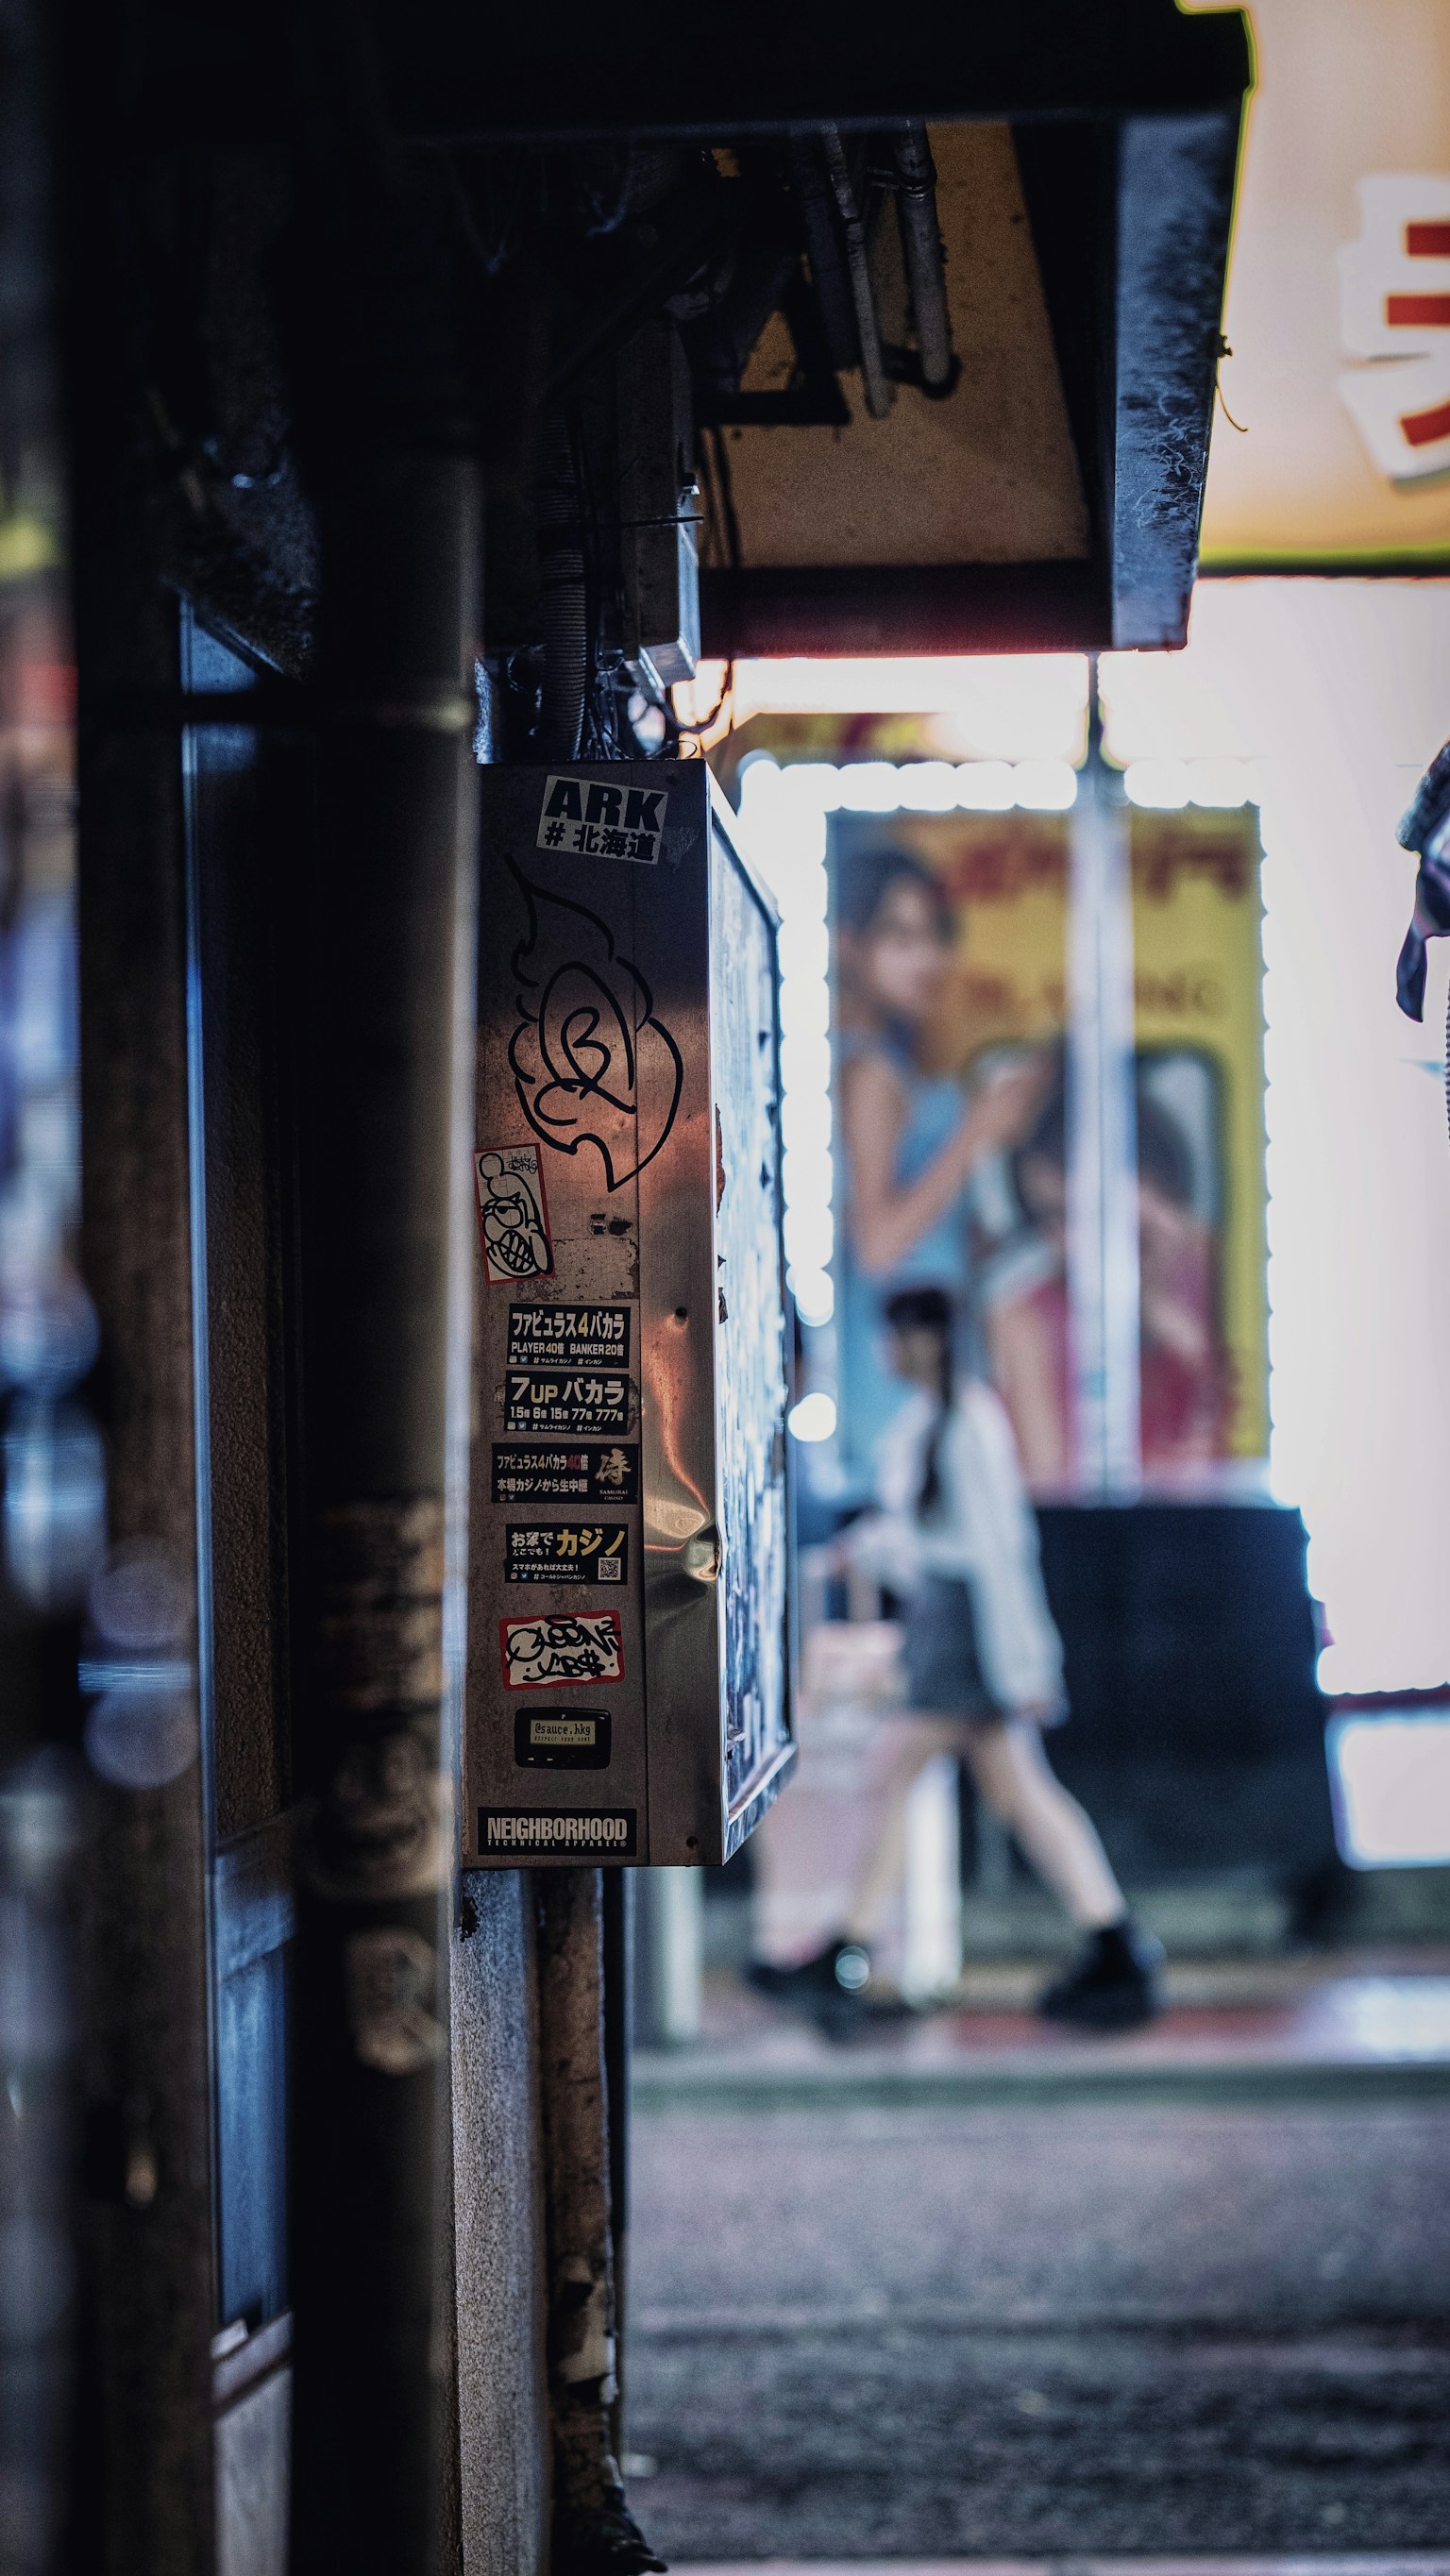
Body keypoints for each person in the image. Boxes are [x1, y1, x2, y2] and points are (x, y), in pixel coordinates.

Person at [751, 1286, 1163, 2034]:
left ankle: (847, 1949)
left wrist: (1029, 1664)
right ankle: (1113, 1941)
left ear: (925, 1341)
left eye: (895, 1335)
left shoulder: (969, 1423)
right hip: (949, 1623)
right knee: (1006, 1787)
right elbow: (919, 1536)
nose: (885, 1350)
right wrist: (866, 1550)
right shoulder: (928, 1423)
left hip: (967, 1631)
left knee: (907, 1771)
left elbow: (1002, 1552)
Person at [833, 845, 1052, 1484]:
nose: (926, 959)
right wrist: (978, 1128)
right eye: (900, 938)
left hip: (925, 1358)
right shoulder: (871, 1073)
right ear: (850, 945)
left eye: (934, 936)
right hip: (891, 1371)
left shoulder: (893, 1066)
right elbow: (878, 1243)